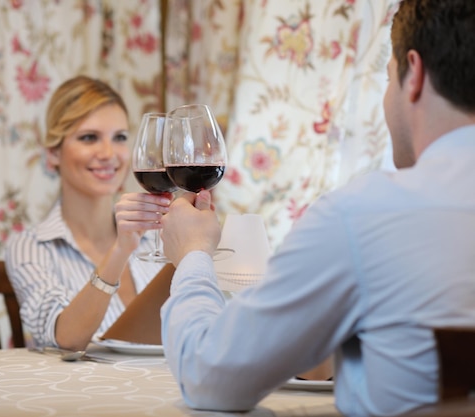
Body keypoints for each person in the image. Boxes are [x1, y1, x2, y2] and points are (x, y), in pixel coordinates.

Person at [159, 1, 475, 416]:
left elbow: (209, 376)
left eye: (387, 78)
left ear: (412, 74)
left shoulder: (362, 216)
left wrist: (193, 257)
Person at [5, 75, 171, 352]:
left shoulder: (158, 236)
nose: (109, 153)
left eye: (119, 137)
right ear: (54, 154)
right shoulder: (31, 247)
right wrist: (120, 251)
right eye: (89, 137)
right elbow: (67, 338)